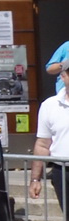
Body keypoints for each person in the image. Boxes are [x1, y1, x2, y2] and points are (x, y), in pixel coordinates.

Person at [32, 81, 69, 209]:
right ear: (63, 76)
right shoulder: (50, 105)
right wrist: (35, 179)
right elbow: (43, 144)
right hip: (62, 171)